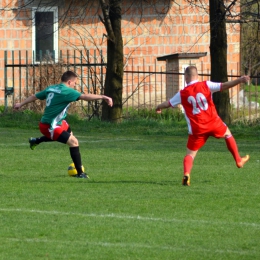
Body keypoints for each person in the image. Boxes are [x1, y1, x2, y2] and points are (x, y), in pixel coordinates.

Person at [156, 66, 250, 186]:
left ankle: (186, 174)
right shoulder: (206, 85)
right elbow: (224, 85)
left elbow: (168, 104)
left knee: (190, 154)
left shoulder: (182, 93)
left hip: (197, 129)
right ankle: (238, 160)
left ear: (186, 77)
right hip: (213, 123)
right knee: (227, 134)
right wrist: (239, 80)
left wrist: (158, 107)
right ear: (197, 75)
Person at [14, 70, 113, 179]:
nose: (75, 85)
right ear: (70, 82)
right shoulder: (66, 91)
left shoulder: (51, 88)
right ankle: (80, 174)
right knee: (74, 142)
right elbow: (85, 96)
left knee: (70, 135)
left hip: (59, 122)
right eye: (75, 83)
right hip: (50, 126)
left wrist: (21, 104)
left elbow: (34, 96)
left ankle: (36, 141)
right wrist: (103, 97)